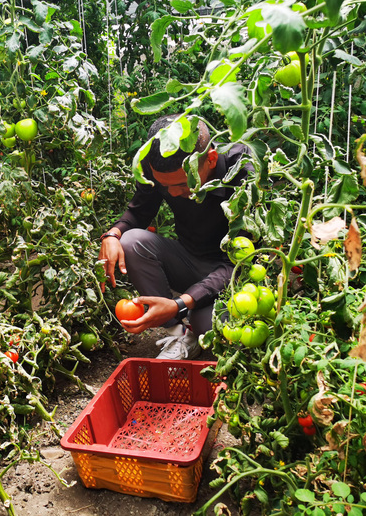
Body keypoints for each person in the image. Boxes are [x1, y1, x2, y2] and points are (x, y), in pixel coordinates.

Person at [98, 114, 253, 360]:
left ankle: (196, 315)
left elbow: (241, 262)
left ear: (211, 159)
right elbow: (139, 212)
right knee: (130, 241)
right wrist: (111, 235)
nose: (172, 193)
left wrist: (180, 303)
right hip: (190, 261)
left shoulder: (243, 172)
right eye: (165, 186)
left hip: (237, 273)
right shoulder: (160, 167)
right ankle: (179, 332)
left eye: (182, 184)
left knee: (209, 327)